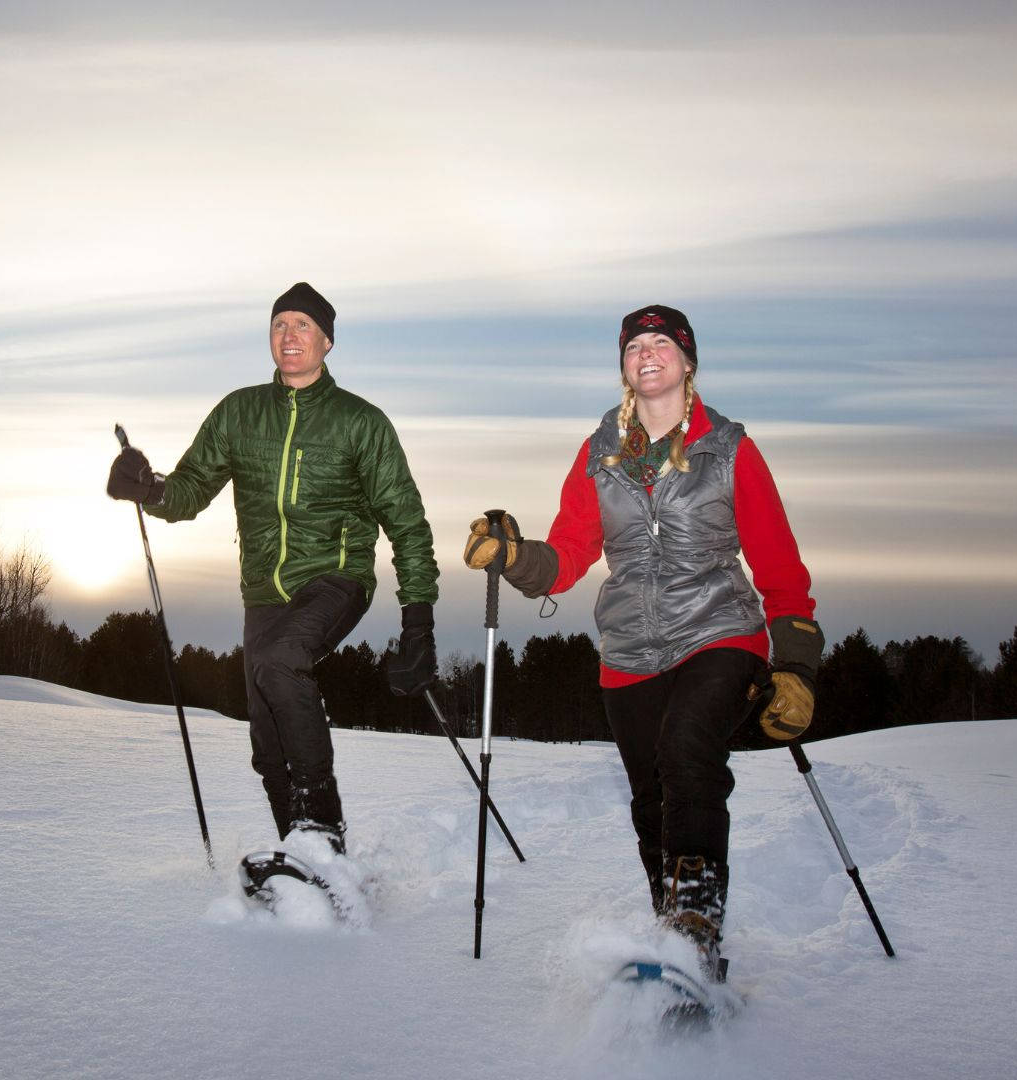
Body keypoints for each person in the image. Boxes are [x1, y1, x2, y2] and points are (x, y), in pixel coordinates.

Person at [464, 303, 821, 979]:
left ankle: (695, 927)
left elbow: (779, 566)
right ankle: (674, 936)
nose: (648, 353)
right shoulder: (601, 453)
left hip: (721, 631)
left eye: (663, 342)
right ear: (624, 366)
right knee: (651, 798)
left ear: (688, 362)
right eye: (635, 346)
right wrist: (512, 556)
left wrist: (797, 664)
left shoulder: (731, 448)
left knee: (689, 752)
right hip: (629, 650)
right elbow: (569, 554)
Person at [106, 282, 441, 856]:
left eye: (303, 325)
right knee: (265, 738)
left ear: (327, 341)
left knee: (282, 660)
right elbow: (190, 491)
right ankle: (299, 858)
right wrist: (149, 488)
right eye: (280, 324)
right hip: (264, 591)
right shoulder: (240, 411)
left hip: (335, 576)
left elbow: (407, 523)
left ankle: (322, 834)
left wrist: (419, 625)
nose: (290, 335)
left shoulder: (361, 423)